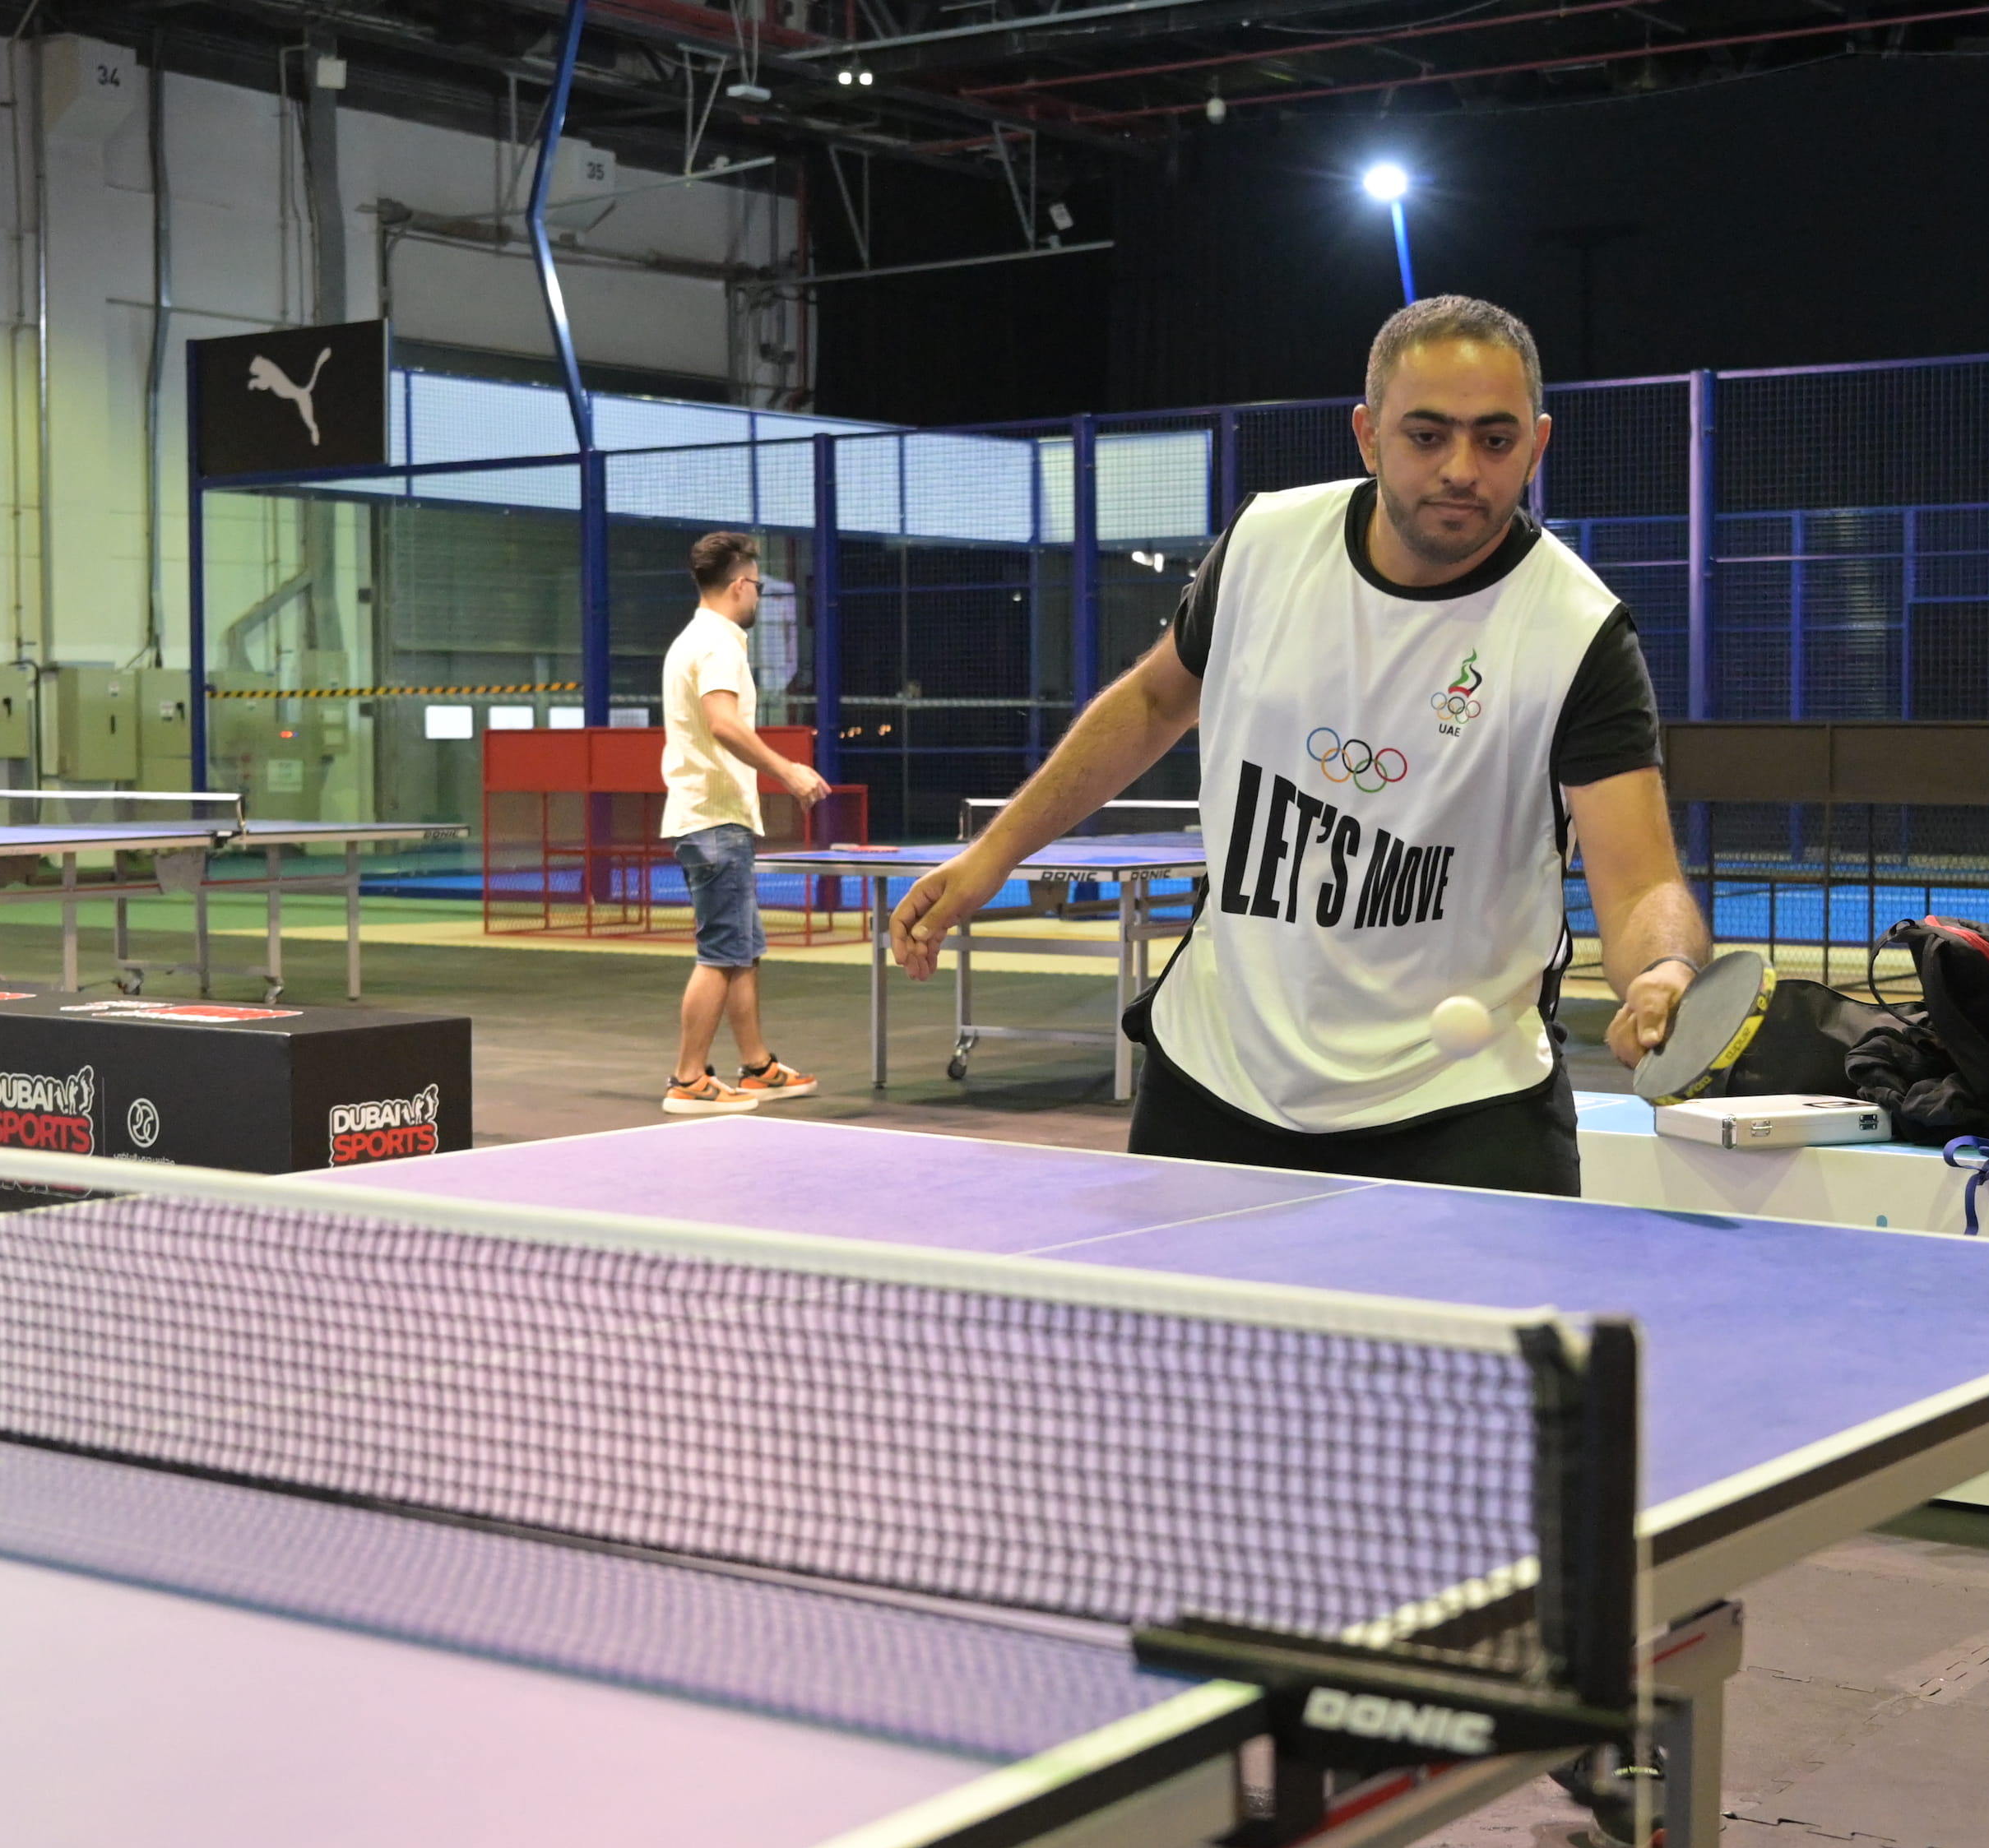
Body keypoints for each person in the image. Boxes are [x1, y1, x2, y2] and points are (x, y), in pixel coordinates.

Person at [884, 296, 1708, 1193]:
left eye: (1495, 439)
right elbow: (1154, 701)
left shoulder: (1578, 632)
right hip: (1217, 1077)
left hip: (1460, 1102)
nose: (1460, 469)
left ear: (1536, 446)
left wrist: (1662, 969)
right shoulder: (1266, 544)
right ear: (1368, 435)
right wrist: (995, 853)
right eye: (1426, 435)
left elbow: (1641, 882)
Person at [661, 530, 831, 1114]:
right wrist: (788, 770)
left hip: (712, 821)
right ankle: (688, 1079)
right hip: (714, 822)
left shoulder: (694, 638)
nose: (758, 594)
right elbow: (723, 723)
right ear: (739, 586)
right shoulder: (718, 642)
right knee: (721, 954)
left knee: (742, 949)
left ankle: (757, 1066)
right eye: (757, 584)